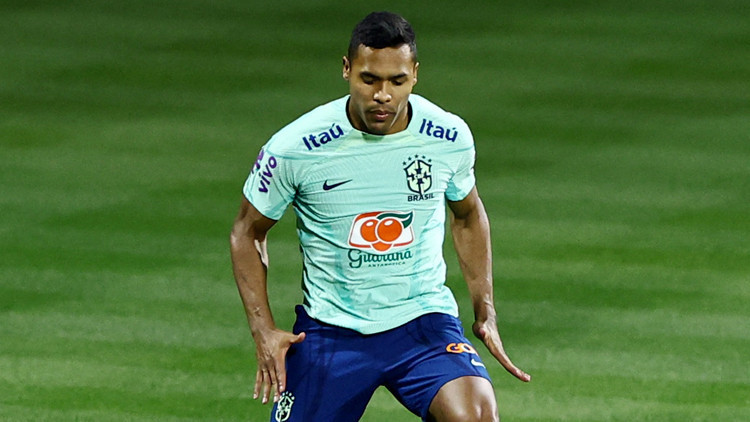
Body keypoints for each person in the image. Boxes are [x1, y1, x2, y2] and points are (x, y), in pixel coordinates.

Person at [230, 11, 530, 422]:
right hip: (332, 332)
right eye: (369, 79)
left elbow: (467, 214)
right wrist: (263, 330)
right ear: (346, 69)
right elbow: (247, 232)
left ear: (415, 74)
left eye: (397, 81)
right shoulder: (296, 147)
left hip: (422, 322)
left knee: (476, 415)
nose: (382, 95)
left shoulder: (448, 136)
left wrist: (485, 310)